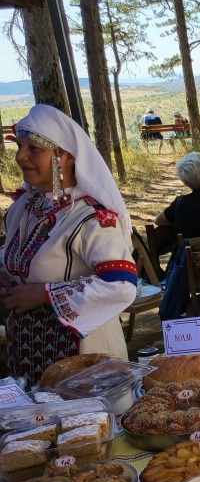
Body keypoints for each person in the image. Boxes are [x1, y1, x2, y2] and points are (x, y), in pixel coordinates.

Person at [1, 105, 138, 384]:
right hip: (29, 352)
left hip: (84, 357)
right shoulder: (23, 209)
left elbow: (121, 284)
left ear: (67, 157)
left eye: (34, 149)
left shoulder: (92, 218)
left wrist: (45, 294)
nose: (21, 156)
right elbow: (20, 259)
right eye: (20, 146)